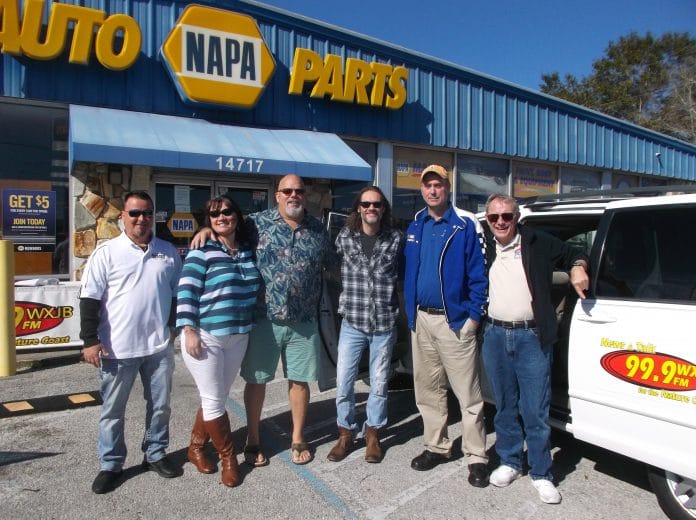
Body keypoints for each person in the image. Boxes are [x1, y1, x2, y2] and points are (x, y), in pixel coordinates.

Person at [191, 174, 334, 466]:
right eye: (287, 191)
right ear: (278, 195)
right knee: (257, 380)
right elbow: (225, 225)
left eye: (299, 191)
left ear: (304, 195)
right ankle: (253, 439)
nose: (293, 195)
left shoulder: (318, 229)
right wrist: (206, 227)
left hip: (303, 322)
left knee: (300, 380)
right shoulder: (256, 223)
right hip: (264, 319)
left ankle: (297, 438)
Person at [481, 193, 589, 504]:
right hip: (495, 334)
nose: (500, 222)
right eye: (494, 217)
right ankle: (510, 461)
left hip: (531, 336)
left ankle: (542, 473)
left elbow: (573, 253)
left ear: (516, 217)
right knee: (503, 405)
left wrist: (579, 267)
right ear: (488, 221)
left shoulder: (536, 241)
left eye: (507, 216)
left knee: (535, 410)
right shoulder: (485, 245)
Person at [79, 191, 182, 494]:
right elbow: (89, 298)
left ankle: (155, 454)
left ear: (154, 216)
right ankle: (111, 464)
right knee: (113, 411)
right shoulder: (107, 252)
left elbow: (176, 294)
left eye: (147, 213)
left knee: (160, 406)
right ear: (122, 216)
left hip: (158, 348)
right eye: (134, 213)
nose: (141, 219)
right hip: (116, 349)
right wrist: (89, 341)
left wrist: (173, 327)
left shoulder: (167, 251)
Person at [403, 164, 490, 488]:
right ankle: (437, 446)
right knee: (428, 391)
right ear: (422, 190)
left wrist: (473, 318)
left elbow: (481, 276)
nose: (432, 190)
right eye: (427, 186)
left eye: (438, 184)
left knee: (468, 396)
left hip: (455, 323)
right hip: (422, 321)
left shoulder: (465, 224)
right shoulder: (416, 224)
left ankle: (477, 456)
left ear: (447, 188)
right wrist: (411, 315)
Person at [177, 196, 261, 487]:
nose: (221, 217)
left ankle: (196, 448)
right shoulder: (202, 250)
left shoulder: (248, 250)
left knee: (215, 397)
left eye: (227, 212)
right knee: (214, 400)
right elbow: (186, 290)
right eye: (214, 215)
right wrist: (188, 330)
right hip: (206, 337)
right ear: (208, 220)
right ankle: (229, 458)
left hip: (238, 335)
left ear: (237, 215)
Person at [327, 187, 403, 464]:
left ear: (383, 209)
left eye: (377, 204)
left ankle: (373, 434)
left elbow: (404, 274)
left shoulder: (396, 239)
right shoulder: (344, 238)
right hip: (353, 323)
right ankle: (346, 434)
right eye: (366, 204)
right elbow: (329, 266)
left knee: (380, 383)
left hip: (384, 324)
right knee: (344, 381)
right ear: (358, 208)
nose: (372, 208)